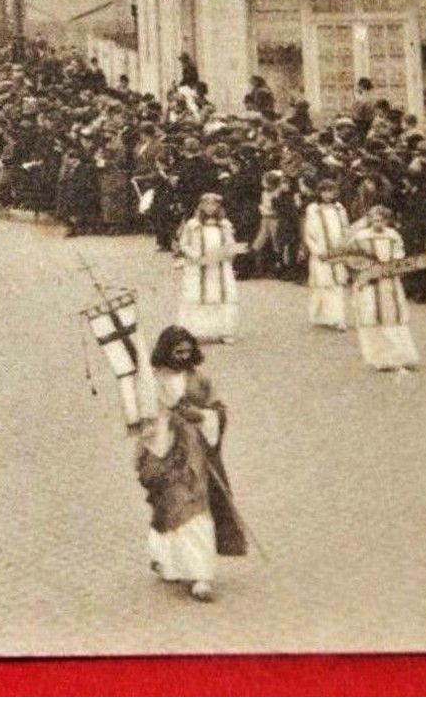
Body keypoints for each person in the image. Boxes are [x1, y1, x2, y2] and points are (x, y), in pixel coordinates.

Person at [135, 348, 245, 602]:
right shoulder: (153, 382)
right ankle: (169, 562)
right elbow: (145, 420)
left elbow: (218, 410)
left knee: (196, 512)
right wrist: (163, 421)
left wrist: (202, 417)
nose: (182, 356)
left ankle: (201, 575)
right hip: (165, 459)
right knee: (168, 511)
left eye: (186, 350)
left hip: (195, 460)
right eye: (177, 350)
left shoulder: (200, 381)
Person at [350, 205, 420, 374]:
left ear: (387, 220)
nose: (377, 222)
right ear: (369, 219)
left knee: (392, 315)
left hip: (389, 279)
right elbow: (352, 257)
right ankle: (381, 358)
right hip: (370, 281)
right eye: (374, 219)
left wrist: (393, 264)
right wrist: (367, 269)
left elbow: (399, 252)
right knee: (372, 315)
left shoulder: (393, 235)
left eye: (381, 219)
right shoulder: (360, 237)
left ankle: (401, 356)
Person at [173, 193, 241, 343]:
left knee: (221, 295)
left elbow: (231, 244)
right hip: (199, 266)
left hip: (219, 267)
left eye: (214, 205)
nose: (210, 208)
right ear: (201, 206)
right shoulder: (192, 225)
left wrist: (228, 252)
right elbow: (184, 244)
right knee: (197, 295)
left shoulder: (224, 224)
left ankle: (225, 330)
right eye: (207, 204)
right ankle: (194, 330)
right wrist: (195, 255)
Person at [303, 179, 351, 330]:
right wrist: (316, 249)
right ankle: (320, 315)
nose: (328, 195)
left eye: (331, 191)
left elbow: (345, 227)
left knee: (337, 282)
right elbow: (309, 232)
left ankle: (339, 318)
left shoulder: (339, 208)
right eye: (325, 191)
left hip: (337, 250)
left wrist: (345, 244)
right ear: (320, 192)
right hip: (321, 250)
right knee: (322, 283)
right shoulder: (313, 209)